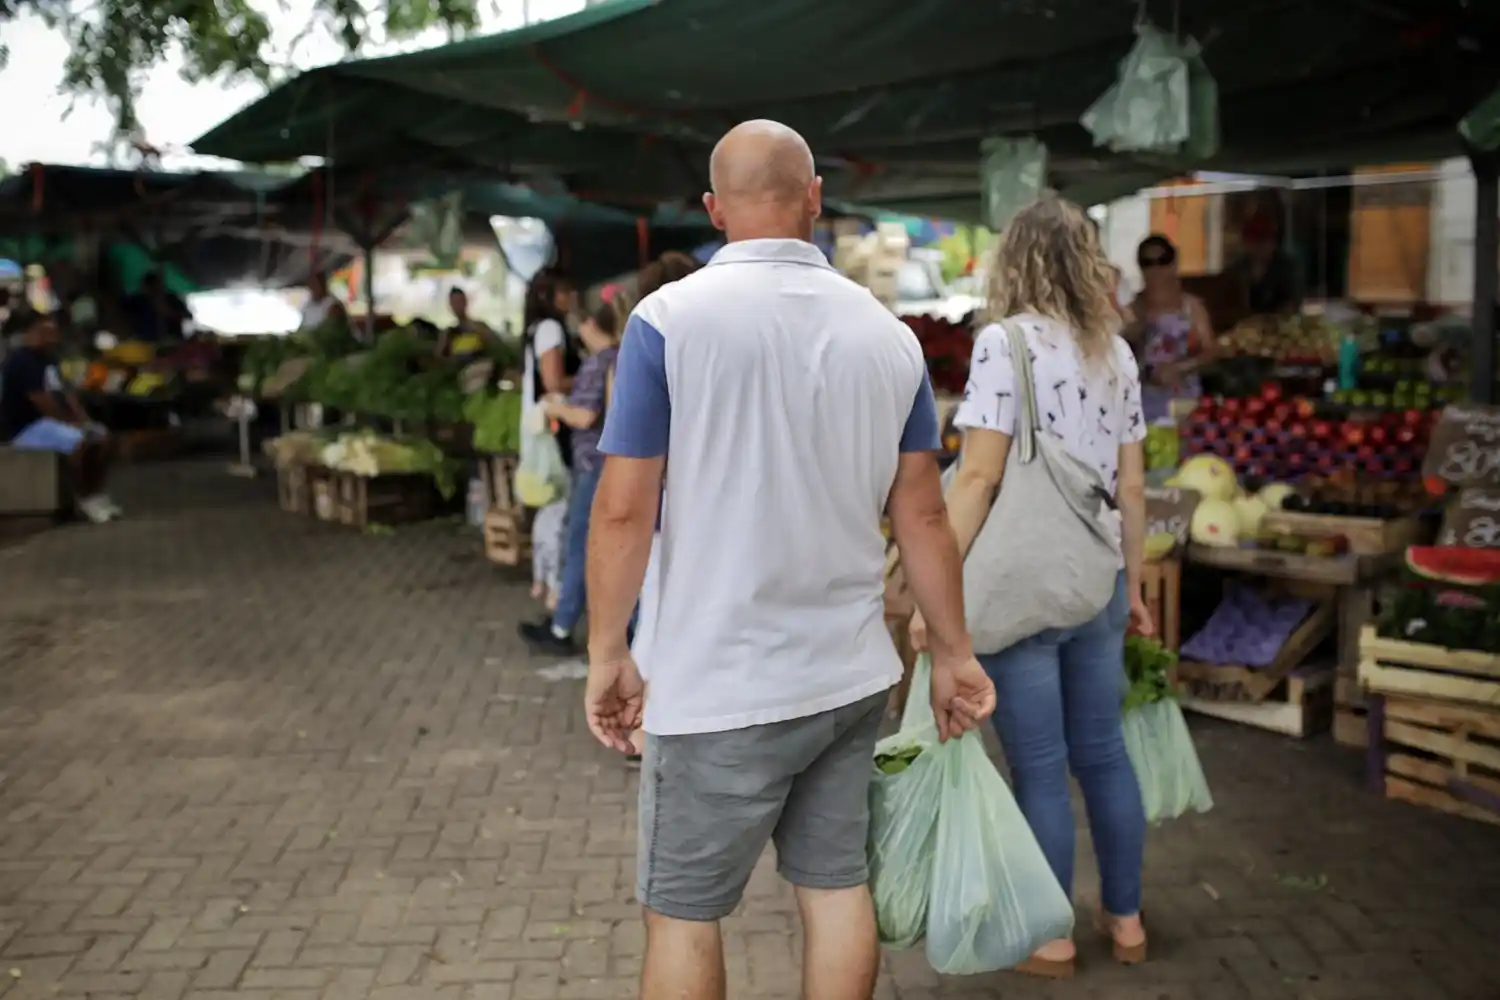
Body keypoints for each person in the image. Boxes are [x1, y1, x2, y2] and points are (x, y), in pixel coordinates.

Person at [582, 119, 995, 1000]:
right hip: (846, 681)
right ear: (814, 198)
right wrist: (955, 653)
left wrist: (608, 651)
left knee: (685, 912)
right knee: (837, 889)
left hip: (715, 686)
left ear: (713, 210)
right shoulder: (889, 337)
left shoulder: (666, 324)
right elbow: (922, 513)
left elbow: (622, 509)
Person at [911, 196, 1151, 978]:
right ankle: (1126, 920)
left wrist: (930, 591)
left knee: (1042, 766)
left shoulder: (1002, 345)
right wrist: (1137, 583)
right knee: (1106, 755)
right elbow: (1135, 488)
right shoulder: (1116, 353)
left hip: (1021, 585)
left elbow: (977, 476)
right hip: (1098, 580)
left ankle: (1050, 938)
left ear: (1012, 262)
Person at [519, 295, 628, 655]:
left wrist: (555, 407)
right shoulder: (619, 358)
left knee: (580, 544)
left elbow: (586, 417)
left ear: (588, 326)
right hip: (601, 466)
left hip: (593, 467)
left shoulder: (602, 362)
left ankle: (563, 626)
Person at [0, 310, 118, 523]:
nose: (51, 337)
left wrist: (83, 419)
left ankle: (96, 492)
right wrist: (70, 424)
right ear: (31, 333)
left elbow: (67, 393)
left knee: (103, 438)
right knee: (80, 442)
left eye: (53, 332)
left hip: (55, 422)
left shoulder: (50, 359)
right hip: (29, 426)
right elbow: (41, 401)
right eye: (45, 332)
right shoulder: (22, 361)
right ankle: (83, 496)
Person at [519, 267, 580, 609]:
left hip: (541, 426)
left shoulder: (537, 329)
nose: (570, 298)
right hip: (556, 428)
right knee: (560, 504)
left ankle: (542, 580)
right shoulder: (551, 329)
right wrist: (593, 373)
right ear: (550, 297)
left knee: (549, 505)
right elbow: (555, 382)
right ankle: (555, 587)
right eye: (565, 292)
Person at [1125, 234, 1218, 423]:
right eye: (1148, 263)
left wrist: (1181, 368)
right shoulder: (1132, 309)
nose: (1156, 269)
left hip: (1185, 403)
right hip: (1143, 405)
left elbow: (1211, 352)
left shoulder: (1191, 307)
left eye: (1163, 260)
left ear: (1174, 263)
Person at [1227, 213, 1302, 315]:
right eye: (1254, 241)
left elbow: (1292, 304)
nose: (1259, 247)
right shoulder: (1237, 270)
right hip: (1244, 326)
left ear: (1273, 242)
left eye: (1263, 240)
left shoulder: (1287, 268)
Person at [435, 287, 500, 359]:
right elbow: (438, 357)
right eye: (454, 302)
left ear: (466, 302)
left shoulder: (479, 327)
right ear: (450, 305)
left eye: (460, 301)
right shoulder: (449, 332)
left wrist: (480, 332)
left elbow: (496, 345)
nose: (457, 306)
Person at [124, 271, 188, 342]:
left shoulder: (171, 298)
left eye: (156, 287)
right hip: (144, 344)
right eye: (151, 288)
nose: (154, 291)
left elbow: (187, 316)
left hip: (173, 342)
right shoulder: (137, 301)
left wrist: (169, 312)